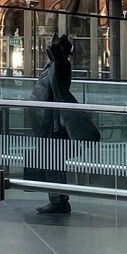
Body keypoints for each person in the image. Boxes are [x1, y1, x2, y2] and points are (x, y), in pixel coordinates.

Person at [28, 35, 78, 216]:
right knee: (52, 163)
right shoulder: (52, 65)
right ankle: (58, 198)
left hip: (53, 123)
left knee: (53, 163)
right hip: (45, 121)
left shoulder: (62, 64)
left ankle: (58, 201)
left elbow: (55, 51)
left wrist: (58, 43)